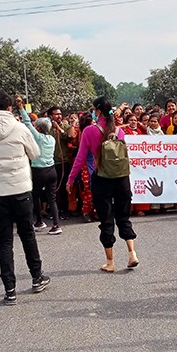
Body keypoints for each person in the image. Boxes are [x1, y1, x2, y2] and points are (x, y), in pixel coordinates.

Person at [0, 92, 51, 306]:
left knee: (4, 241)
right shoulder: (19, 128)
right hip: (20, 189)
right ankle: (37, 278)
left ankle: (10, 290)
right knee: (27, 235)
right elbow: (35, 153)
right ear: (9, 108)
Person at [67, 97, 139, 273]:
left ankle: (110, 262)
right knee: (123, 217)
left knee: (106, 220)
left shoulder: (90, 131)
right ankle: (132, 254)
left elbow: (80, 158)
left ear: (97, 111)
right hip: (122, 178)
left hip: (101, 179)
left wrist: (70, 180)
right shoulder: (118, 131)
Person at [18, 98, 62, 235]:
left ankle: (39, 221)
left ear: (38, 128)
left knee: (35, 196)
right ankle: (56, 224)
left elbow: (26, 122)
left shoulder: (38, 137)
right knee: (52, 198)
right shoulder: (52, 139)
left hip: (39, 170)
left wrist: (20, 106)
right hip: (52, 170)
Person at [46, 106, 78, 220]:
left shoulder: (65, 126)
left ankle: (64, 210)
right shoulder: (47, 127)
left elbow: (70, 136)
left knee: (63, 187)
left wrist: (60, 127)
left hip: (63, 162)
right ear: (50, 116)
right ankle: (53, 210)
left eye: (60, 114)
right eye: (56, 114)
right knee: (52, 188)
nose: (59, 116)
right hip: (50, 162)